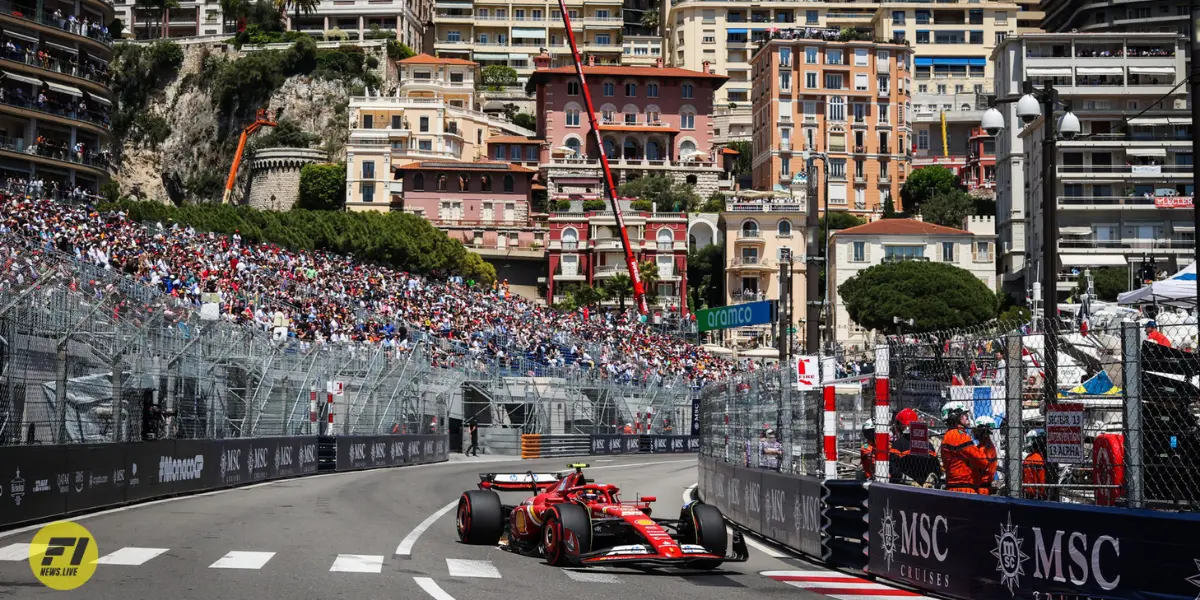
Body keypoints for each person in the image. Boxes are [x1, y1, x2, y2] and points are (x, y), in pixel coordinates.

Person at [940, 404, 979, 493]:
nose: (967, 416)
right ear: (955, 417)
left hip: (954, 485)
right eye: (964, 414)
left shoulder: (949, 435)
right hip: (964, 488)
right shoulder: (960, 436)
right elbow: (981, 460)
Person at [971, 416, 999, 495]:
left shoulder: (986, 448)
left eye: (976, 431)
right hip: (979, 486)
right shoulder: (983, 446)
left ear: (982, 431)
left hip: (982, 489)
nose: (974, 433)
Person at [1022, 429, 1050, 500]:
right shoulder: (1041, 459)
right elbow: (1042, 481)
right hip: (1039, 495)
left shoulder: (1028, 458)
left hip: (1027, 493)